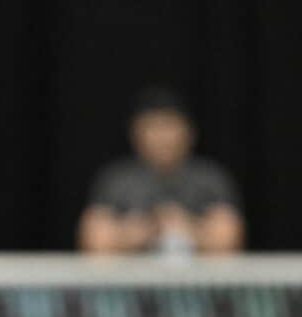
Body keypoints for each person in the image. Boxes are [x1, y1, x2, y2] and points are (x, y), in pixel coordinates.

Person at [77, 86, 245, 255]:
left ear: (189, 131)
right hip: (130, 278)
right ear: (136, 132)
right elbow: (93, 240)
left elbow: (229, 239)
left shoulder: (209, 178)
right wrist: (141, 231)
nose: (162, 137)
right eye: (152, 127)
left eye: (169, 127)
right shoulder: (117, 180)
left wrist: (187, 229)